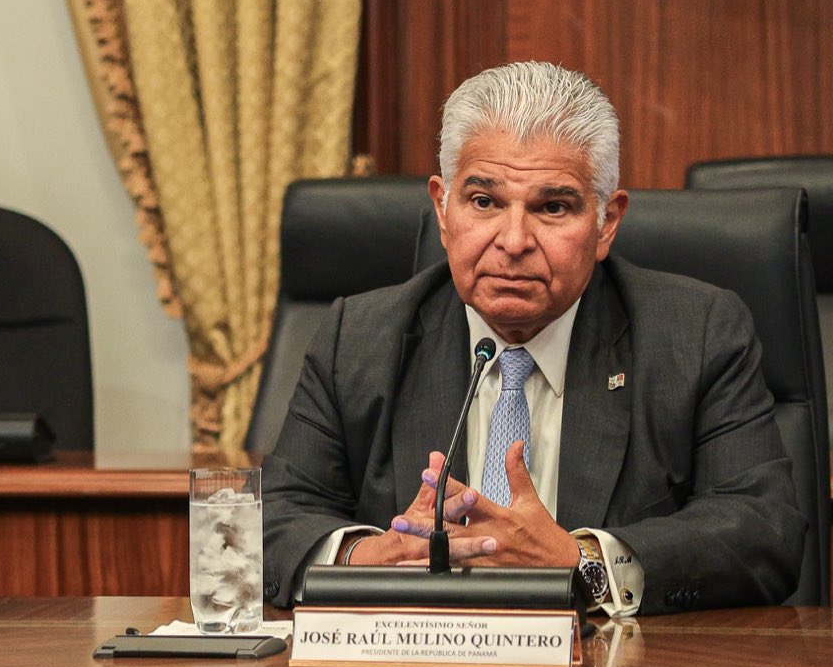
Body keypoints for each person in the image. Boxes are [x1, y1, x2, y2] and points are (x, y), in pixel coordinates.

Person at [264, 61, 805, 613]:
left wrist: (581, 562)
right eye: (484, 202)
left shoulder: (696, 334)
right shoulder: (358, 337)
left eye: (553, 207)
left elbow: (763, 529)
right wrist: (366, 560)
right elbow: (273, 519)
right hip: (417, 660)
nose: (514, 240)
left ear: (606, 222)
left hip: (610, 664)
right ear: (443, 211)